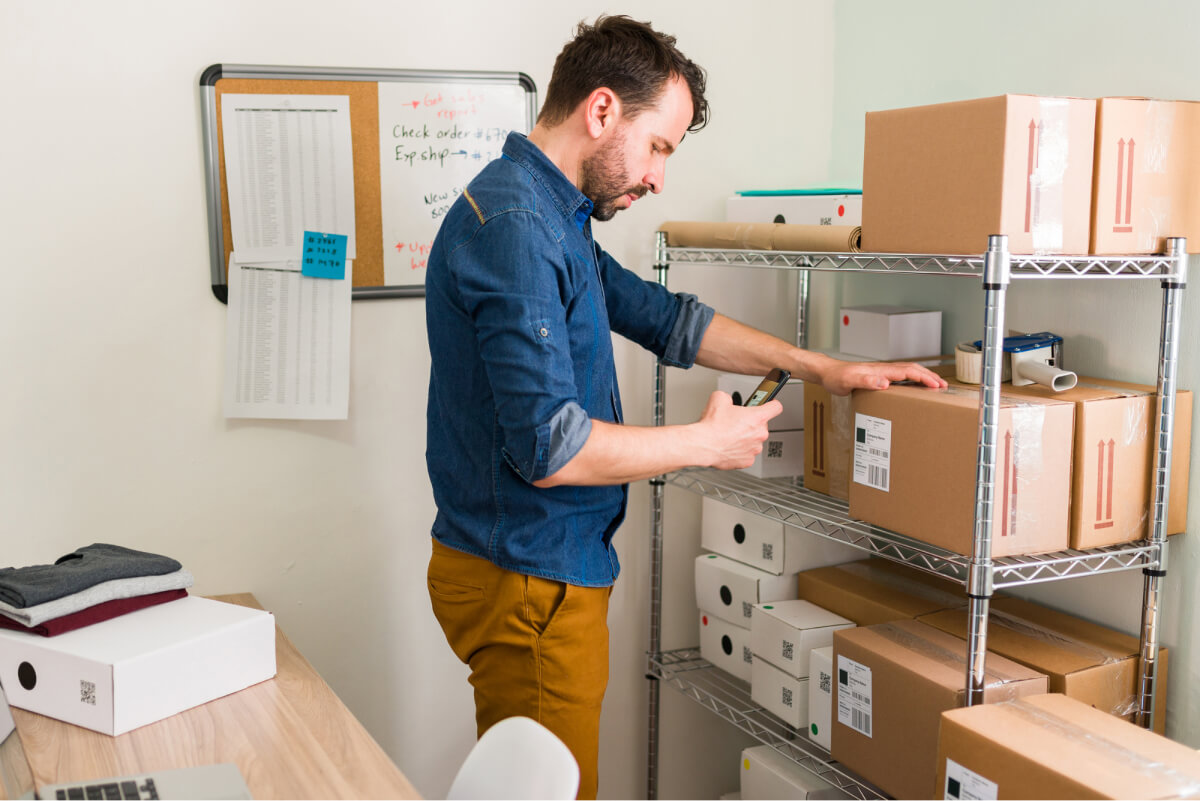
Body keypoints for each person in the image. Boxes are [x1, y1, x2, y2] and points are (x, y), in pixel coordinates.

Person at [423, 15, 945, 798]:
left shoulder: (550, 216)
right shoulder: (519, 227)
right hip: (528, 583)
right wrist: (706, 441)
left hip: (537, 569)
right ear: (602, 111)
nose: (659, 178)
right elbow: (553, 448)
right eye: (660, 147)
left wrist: (820, 367)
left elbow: (670, 320)